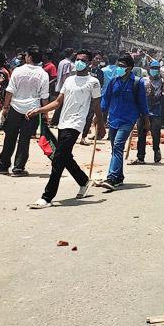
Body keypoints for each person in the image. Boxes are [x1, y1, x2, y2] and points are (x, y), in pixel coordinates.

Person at [25, 50, 102, 208]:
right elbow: (58, 102)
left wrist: (100, 125)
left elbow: (96, 106)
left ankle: (47, 197)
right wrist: (39, 110)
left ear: (89, 63)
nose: (79, 62)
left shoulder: (93, 82)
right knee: (64, 156)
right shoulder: (69, 80)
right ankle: (83, 180)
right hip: (63, 122)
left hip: (76, 123)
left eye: (83, 60)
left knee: (58, 158)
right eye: (77, 59)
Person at [0, 45, 50, 177]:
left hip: (15, 107)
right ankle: (18, 168)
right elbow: (44, 96)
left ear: (29, 57)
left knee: (9, 138)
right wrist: (45, 113)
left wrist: (5, 107)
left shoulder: (18, 71)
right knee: (24, 140)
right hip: (33, 110)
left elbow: (10, 91)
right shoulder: (43, 74)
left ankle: (3, 165)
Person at [98, 54, 150, 190]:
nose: (119, 68)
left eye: (122, 66)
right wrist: (99, 116)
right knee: (115, 149)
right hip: (113, 119)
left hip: (128, 119)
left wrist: (146, 120)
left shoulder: (137, 83)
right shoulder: (114, 81)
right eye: (118, 65)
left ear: (130, 68)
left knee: (118, 145)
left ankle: (112, 177)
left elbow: (143, 103)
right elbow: (106, 99)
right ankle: (119, 177)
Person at [130, 60, 164, 164]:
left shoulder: (161, 81)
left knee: (155, 134)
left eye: (156, 69)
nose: (154, 71)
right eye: (153, 68)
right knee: (141, 134)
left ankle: (156, 150)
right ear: (149, 69)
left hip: (156, 111)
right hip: (143, 111)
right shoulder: (143, 80)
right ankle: (141, 157)